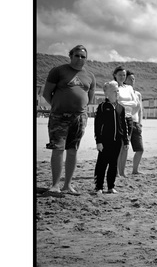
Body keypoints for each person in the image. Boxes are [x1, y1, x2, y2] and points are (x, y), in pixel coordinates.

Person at [42, 44, 96, 194]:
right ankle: (55, 185)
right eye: (77, 55)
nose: (80, 58)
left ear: (86, 59)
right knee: (58, 149)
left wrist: (79, 110)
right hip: (59, 117)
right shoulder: (58, 71)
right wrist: (58, 107)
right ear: (71, 56)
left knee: (72, 150)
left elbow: (89, 98)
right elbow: (47, 93)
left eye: (83, 56)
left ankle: (68, 185)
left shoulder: (90, 76)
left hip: (79, 119)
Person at [93, 81, 129, 194]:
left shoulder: (121, 108)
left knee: (113, 164)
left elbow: (123, 125)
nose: (117, 92)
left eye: (117, 90)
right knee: (102, 164)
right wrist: (98, 141)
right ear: (107, 93)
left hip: (117, 141)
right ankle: (99, 187)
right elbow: (97, 125)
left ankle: (110, 186)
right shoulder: (102, 107)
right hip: (105, 141)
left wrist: (126, 140)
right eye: (114, 91)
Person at [113, 65, 137, 179]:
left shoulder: (129, 88)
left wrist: (123, 104)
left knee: (126, 145)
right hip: (117, 118)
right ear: (115, 75)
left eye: (124, 75)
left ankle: (122, 171)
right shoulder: (113, 86)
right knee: (118, 145)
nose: (122, 77)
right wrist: (126, 104)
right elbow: (114, 102)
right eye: (120, 75)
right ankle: (116, 171)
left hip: (128, 118)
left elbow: (135, 103)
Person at [124, 72, 145, 174]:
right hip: (124, 122)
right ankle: (120, 171)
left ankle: (135, 170)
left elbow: (140, 110)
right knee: (123, 148)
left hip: (135, 123)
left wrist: (140, 123)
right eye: (130, 79)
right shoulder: (122, 92)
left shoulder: (138, 94)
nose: (132, 81)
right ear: (125, 79)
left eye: (133, 79)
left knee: (140, 149)